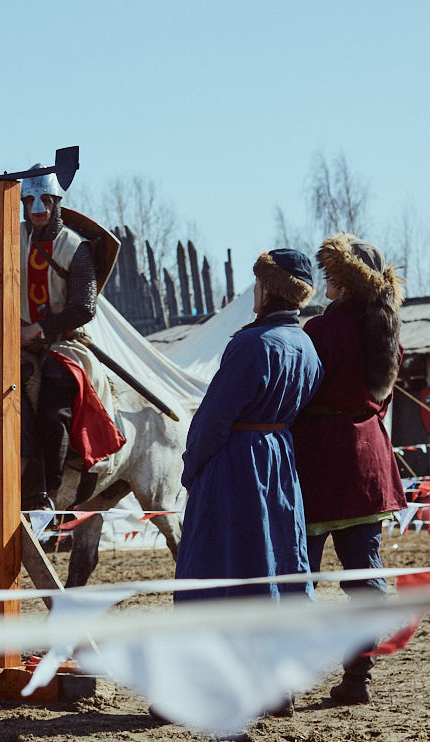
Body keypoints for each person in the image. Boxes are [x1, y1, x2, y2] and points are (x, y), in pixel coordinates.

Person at [292, 233, 406, 705]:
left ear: (345, 279)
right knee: (366, 574)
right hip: (369, 461)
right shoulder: (386, 331)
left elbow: (297, 394)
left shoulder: (321, 330)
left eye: (332, 273)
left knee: (299, 577)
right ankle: (358, 678)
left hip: (322, 462)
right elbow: (382, 398)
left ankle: (287, 685)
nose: (325, 280)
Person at [174, 249, 324, 602]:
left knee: (226, 555)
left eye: (259, 282)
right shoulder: (307, 347)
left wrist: (192, 468)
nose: (254, 289)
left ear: (270, 289)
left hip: (236, 465)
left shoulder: (251, 344)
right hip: (279, 461)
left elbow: (214, 419)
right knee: (278, 548)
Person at [0, 166, 122, 510]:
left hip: (62, 342)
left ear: (55, 202)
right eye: (30, 201)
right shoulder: (10, 238)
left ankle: (47, 494)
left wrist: (35, 331)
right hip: (16, 344)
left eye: (45, 201)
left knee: (53, 407)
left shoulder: (74, 247)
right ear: (22, 204)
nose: (38, 209)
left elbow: (83, 308)